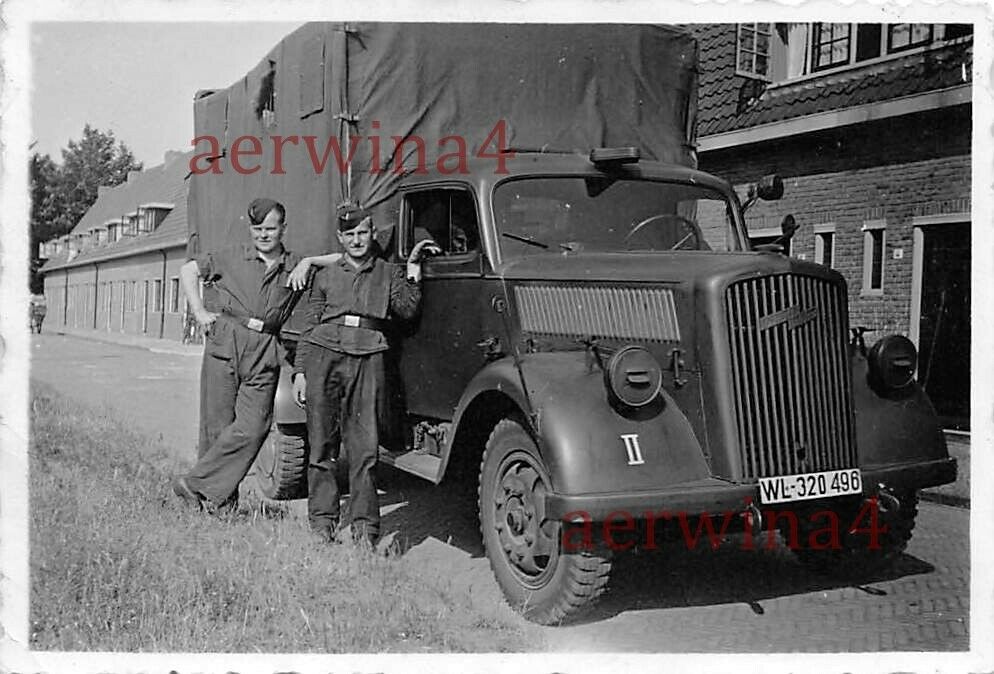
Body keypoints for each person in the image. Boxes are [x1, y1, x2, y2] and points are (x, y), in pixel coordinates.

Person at [171, 197, 339, 512]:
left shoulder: (295, 264)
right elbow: (189, 270)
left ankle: (193, 484)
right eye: (257, 228)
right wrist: (199, 311)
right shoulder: (231, 256)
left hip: (265, 348)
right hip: (228, 339)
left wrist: (310, 262)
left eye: (270, 229)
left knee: (256, 425)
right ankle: (220, 506)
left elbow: (343, 259)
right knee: (217, 427)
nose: (263, 235)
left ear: (283, 228)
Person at [292, 207, 439, 544]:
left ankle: (365, 530)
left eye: (362, 233)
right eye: (349, 235)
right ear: (340, 238)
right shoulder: (325, 276)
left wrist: (413, 270)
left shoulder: (388, 272)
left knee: (364, 450)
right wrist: (300, 371)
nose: (356, 240)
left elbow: (407, 309)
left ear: (372, 234)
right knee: (322, 446)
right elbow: (308, 326)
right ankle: (322, 524)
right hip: (324, 358)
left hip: (368, 360)